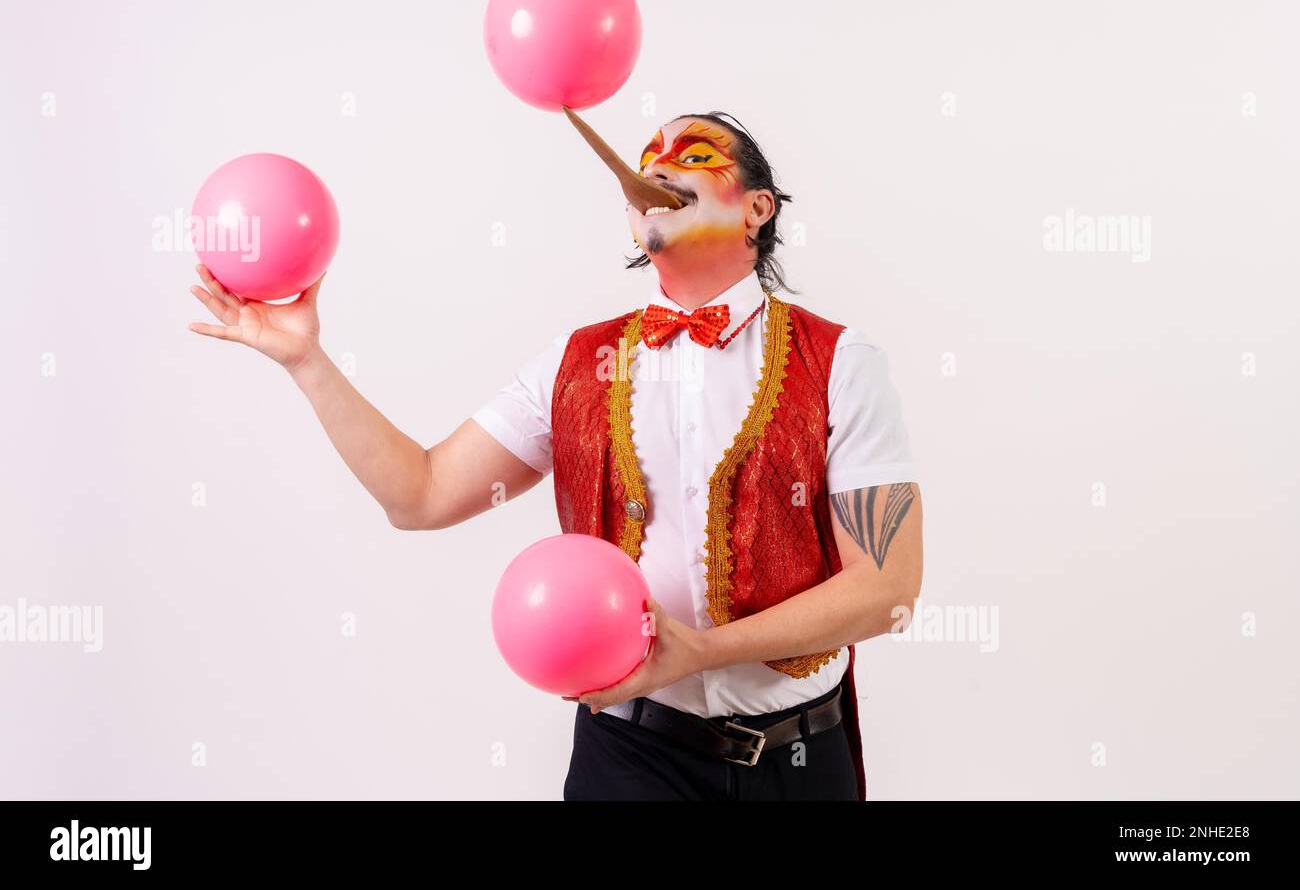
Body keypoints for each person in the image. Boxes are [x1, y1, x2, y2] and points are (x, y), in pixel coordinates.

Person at [188, 111, 923, 800]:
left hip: (797, 764)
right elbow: (420, 496)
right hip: (629, 761)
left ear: (758, 209)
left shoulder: (841, 362)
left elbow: (887, 589)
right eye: (647, 166)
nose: (659, 171)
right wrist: (306, 358)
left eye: (692, 158)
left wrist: (701, 649)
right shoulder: (575, 365)